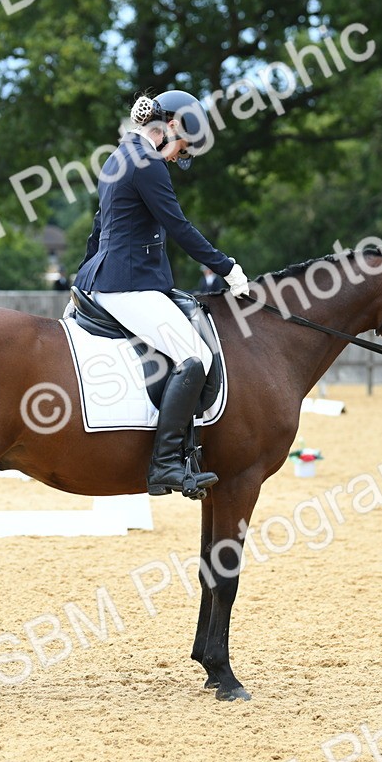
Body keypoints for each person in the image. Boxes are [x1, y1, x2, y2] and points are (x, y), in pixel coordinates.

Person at [74, 90, 249, 497]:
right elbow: (178, 226)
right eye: (182, 147)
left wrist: (82, 276)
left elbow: (99, 229)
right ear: (171, 126)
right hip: (128, 283)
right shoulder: (147, 161)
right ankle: (166, 463)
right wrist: (228, 267)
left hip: (107, 278)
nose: (177, 156)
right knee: (195, 357)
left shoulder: (119, 155)